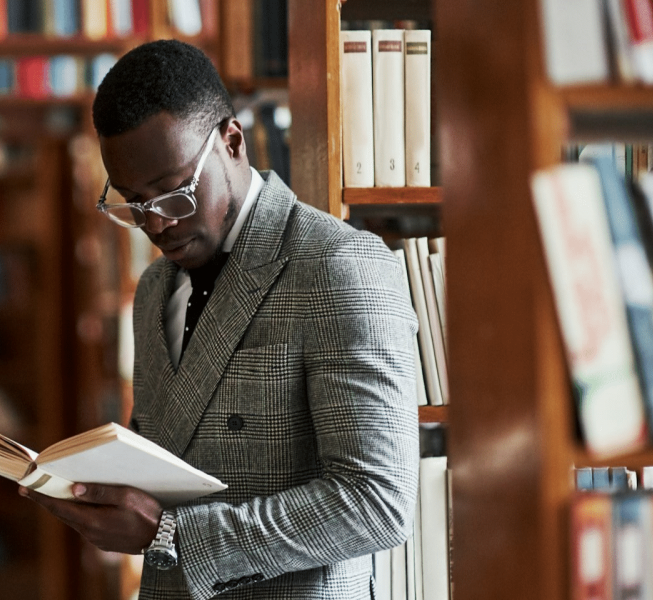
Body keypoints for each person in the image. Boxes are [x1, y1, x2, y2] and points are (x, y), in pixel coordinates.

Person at [21, 40, 420, 600]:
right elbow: (164, 453)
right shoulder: (154, 288)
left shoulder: (335, 266)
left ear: (232, 142)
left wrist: (171, 536)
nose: (156, 225)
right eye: (133, 204)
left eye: (174, 195)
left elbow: (378, 501)